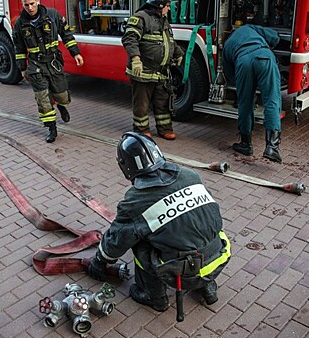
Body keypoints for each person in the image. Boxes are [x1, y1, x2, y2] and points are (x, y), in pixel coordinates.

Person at [87, 132, 231, 314]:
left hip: (183, 270)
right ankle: (207, 286)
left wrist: (99, 261)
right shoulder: (190, 175)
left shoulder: (136, 200)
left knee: (138, 241)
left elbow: (118, 238)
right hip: (219, 255)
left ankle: (154, 297)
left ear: (126, 166)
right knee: (195, 231)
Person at [12, 0, 84, 143]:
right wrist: (22, 68)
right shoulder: (20, 23)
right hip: (36, 65)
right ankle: (52, 128)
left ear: (38, 1)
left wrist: (75, 53)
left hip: (53, 62)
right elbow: (19, 48)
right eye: (26, 5)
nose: (30, 8)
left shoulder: (52, 15)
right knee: (42, 98)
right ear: (22, 4)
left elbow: (66, 35)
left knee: (62, 95)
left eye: (32, 3)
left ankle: (62, 106)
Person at [121, 0, 184, 141]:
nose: (169, 9)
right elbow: (129, 39)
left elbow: (169, 40)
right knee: (141, 103)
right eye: (167, 6)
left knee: (163, 102)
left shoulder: (163, 20)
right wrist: (136, 59)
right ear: (159, 5)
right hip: (143, 71)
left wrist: (178, 53)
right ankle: (141, 130)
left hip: (161, 73)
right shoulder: (141, 17)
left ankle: (165, 129)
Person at [222, 24, 283, 163]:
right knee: (272, 100)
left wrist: (244, 86)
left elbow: (229, 74)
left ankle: (246, 144)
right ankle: (272, 147)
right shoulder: (249, 28)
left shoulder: (227, 46)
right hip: (264, 57)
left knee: (245, 103)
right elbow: (274, 37)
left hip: (242, 62)